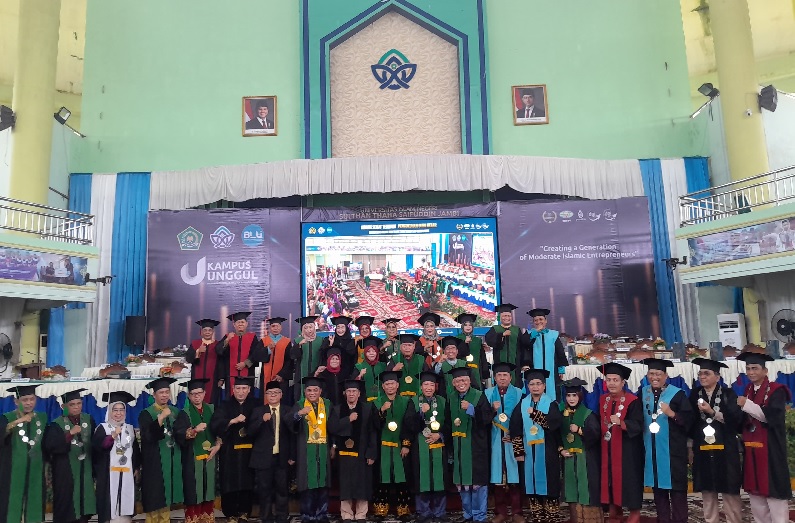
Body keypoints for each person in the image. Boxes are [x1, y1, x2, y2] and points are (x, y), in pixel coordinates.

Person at [737, 352, 792, 522]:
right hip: (752, 449)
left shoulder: (777, 390)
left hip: (770, 450)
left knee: (775, 495)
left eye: (755, 368)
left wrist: (746, 405)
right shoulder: (748, 390)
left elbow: (772, 417)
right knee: (756, 497)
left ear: (765, 371)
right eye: (748, 369)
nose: (751, 372)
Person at [689, 358, 742, 523]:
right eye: (700, 374)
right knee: (707, 491)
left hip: (725, 449)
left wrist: (712, 412)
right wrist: (690, 447)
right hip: (703, 449)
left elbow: (736, 421)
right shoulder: (695, 394)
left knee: (729, 490)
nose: (702, 377)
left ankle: (734, 520)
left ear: (717, 377)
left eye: (706, 373)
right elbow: (690, 422)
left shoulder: (728, 394)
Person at [640, 358, 693, 523]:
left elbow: (689, 421)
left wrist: (672, 414)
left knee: (677, 491)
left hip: (672, 451)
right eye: (651, 373)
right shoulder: (643, 393)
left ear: (666, 376)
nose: (654, 377)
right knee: (659, 492)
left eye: (658, 374)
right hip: (652, 450)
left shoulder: (677, 394)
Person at [509, 368, 562, 523]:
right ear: (528, 386)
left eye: (538, 384)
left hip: (548, 449)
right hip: (528, 450)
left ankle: (552, 514)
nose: (535, 387)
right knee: (531, 481)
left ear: (544, 386)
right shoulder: (522, 404)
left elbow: (554, 424)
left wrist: (535, 414)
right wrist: (518, 451)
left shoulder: (551, 403)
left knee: (550, 481)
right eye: (532, 384)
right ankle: (537, 514)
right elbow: (515, 427)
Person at [43, 388, 97, 523]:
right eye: (72, 404)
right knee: (67, 507)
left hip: (85, 469)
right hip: (65, 471)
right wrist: (70, 434)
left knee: (84, 503)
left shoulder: (88, 419)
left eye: (79, 403)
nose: (76, 407)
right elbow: (50, 446)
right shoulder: (56, 424)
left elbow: (95, 443)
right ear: (64, 407)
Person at [598, 363, 643, 523]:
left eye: (615, 380)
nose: (611, 383)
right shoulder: (603, 400)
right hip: (607, 447)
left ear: (623, 382)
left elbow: (638, 425)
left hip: (627, 449)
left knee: (629, 480)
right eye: (608, 379)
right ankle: (615, 511)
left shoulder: (633, 401)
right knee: (609, 477)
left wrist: (622, 423)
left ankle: (634, 512)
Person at [210, 375, 258, 522]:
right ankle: (230, 513)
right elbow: (215, 424)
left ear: (249, 389)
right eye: (238, 388)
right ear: (233, 389)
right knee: (229, 482)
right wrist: (232, 421)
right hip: (229, 451)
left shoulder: (256, 405)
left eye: (244, 388)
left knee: (247, 482)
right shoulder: (224, 405)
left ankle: (244, 512)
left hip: (249, 451)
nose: (241, 391)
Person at [329, 379, 378, 523]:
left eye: (354, 391)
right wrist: (347, 420)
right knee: (346, 484)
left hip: (362, 453)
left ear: (359, 393)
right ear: (345, 393)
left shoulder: (367, 409)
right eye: (349, 391)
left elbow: (372, 432)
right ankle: (347, 514)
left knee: (362, 483)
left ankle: (361, 514)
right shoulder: (337, 409)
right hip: (344, 455)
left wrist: (371, 452)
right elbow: (332, 428)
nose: (351, 394)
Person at [448, 366, 493, 523]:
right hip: (459, 446)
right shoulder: (451, 398)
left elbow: (487, 418)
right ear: (453, 383)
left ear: (469, 381)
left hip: (476, 445)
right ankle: (468, 514)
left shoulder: (479, 396)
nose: (461, 383)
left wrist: (472, 409)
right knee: (462, 481)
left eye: (464, 380)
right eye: (458, 381)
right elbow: (447, 422)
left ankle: (480, 516)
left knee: (477, 482)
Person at [174, 378, 221, 523]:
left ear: (204, 393)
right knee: (194, 491)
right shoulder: (184, 413)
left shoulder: (212, 409)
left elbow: (220, 429)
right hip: (192, 459)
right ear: (189, 396)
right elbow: (179, 434)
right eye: (193, 394)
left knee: (208, 489)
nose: (197, 396)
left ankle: (207, 519)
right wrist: (194, 430)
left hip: (211, 457)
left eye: (199, 393)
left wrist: (218, 445)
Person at [372, 370, 416, 521]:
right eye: (387, 384)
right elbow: (373, 426)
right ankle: (380, 509)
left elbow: (409, 424)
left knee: (401, 477)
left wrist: (406, 444)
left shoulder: (406, 401)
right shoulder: (376, 402)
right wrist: (381, 411)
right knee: (382, 477)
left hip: (400, 445)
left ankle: (403, 509)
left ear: (397, 385)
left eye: (392, 383)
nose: (390, 386)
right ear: (383, 386)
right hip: (382, 446)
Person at [138, 377, 183, 523]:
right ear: (154, 395)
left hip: (171, 459)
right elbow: (147, 436)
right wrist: (160, 418)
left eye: (166, 392)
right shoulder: (146, 413)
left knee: (167, 496)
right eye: (161, 392)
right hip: (154, 461)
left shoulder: (175, 411)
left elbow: (181, 433)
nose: (164, 395)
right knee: (154, 496)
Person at [406, 371, 449, 523]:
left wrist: (440, 434)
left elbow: (449, 423)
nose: (429, 387)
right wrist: (420, 413)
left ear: (435, 387)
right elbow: (409, 424)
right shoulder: (413, 401)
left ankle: (439, 512)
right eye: (426, 384)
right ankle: (423, 512)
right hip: (420, 444)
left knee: (439, 478)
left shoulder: (443, 401)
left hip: (439, 443)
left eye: (431, 385)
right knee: (422, 477)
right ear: (421, 386)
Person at [0, 384, 47, 523]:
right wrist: (17, 422)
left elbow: (46, 443)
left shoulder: (42, 418)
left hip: (36, 468)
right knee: (10, 502)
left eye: (32, 399)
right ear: (16, 402)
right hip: (12, 469)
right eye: (24, 400)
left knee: (35, 498)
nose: (28, 403)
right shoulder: (7, 418)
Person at [289, 376, 333, 523]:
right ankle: (307, 515)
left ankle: (322, 514)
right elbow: (289, 423)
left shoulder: (328, 404)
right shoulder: (299, 405)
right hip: (305, 450)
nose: (312, 393)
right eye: (309, 390)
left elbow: (333, 427)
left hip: (323, 448)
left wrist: (334, 446)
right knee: (307, 483)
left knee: (323, 482)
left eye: (315, 390)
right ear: (304, 391)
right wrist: (298, 414)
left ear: (320, 391)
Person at [93, 391, 140, 523]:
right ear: (109, 411)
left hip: (127, 472)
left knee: (125, 501)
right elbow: (98, 448)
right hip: (108, 474)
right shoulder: (103, 428)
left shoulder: (129, 429)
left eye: (121, 410)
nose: (119, 413)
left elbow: (135, 450)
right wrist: (112, 436)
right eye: (115, 410)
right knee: (109, 504)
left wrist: (136, 467)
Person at [485, 363, 524, 523]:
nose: (502, 378)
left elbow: (523, 417)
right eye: (499, 375)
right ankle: (500, 512)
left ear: (510, 377)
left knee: (515, 477)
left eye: (505, 375)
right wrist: (492, 410)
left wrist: (514, 434)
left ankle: (517, 512)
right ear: (494, 378)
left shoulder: (519, 393)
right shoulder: (488, 393)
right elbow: (482, 417)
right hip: (495, 438)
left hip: (514, 439)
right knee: (498, 478)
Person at [249, 381, 293, 523]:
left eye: (275, 393)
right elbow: (250, 432)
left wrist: (292, 456)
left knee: (282, 489)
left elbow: (293, 434)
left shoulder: (288, 410)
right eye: (269, 393)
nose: (272, 395)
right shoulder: (258, 411)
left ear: (281, 395)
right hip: (263, 458)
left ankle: (282, 517)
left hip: (282, 457)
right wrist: (261, 420)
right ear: (266, 395)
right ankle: (266, 517)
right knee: (264, 490)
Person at [559, 378, 602, 523]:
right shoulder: (562, 414)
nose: (571, 399)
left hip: (586, 458)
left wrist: (580, 430)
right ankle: (576, 519)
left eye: (574, 395)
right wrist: (561, 450)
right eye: (568, 395)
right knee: (572, 490)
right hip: (569, 458)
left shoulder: (588, 414)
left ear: (580, 396)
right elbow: (556, 436)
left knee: (586, 489)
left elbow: (595, 435)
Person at [217, 311, 268, 399]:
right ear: (234, 324)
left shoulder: (252, 337)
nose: (240, 324)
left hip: (248, 374)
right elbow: (219, 352)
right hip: (230, 375)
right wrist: (227, 340)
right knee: (231, 398)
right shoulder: (228, 337)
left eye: (242, 322)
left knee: (248, 398)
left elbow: (256, 354)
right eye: (238, 322)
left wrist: (245, 363)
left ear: (246, 324)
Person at [526, 308, 568, 401]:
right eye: (536, 320)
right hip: (535, 369)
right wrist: (536, 332)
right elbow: (525, 347)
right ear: (533, 322)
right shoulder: (529, 335)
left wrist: (561, 369)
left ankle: (553, 407)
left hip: (552, 369)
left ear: (546, 321)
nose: (538, 322)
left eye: (541, 319)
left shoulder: (553, 335)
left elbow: (560, 352)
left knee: (553, 390)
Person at [484, 304, 531, 387]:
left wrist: (525, 363)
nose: (507, 318)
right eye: (504, 316)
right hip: (500, 365)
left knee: (516, 387)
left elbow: (522, 347)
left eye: (509, 316)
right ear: (500, 317)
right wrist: (502, 335)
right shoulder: (495, 329)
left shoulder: (516, 330)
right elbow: (490, 341)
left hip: (515, 366)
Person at [186, 318, 223, 403]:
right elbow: (188, 359)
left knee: (212, 399)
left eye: (209, 330)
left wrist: (221, 378)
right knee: (197, 398)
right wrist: (198, 351)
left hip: (213, 378)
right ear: (201, 332)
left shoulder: (218, 345)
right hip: (197, 378)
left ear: (213, 331)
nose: (207, 332)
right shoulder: (195, 343)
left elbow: (221, 363)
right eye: (205, 330)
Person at [291, 316, 325, 400]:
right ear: (302, 329)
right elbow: (293, 356)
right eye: (306, 328)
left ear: (314, 327)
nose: (309, 330)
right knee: (301, 393)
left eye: (311, 327)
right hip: (301, 373)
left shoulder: (321, 340)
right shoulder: (298, 340)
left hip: (317, 372)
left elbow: (323, 357)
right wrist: (299, 345)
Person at [260, 316, 294, 400]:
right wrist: (268, 349)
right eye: (273, 326)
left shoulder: (287, 342)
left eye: (277, 326)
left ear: (281, 328)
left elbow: (289, 361)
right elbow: (257, 356)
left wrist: (281, 375)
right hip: (266, 376)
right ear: (270, 328)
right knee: (265, 397)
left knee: (281, 399)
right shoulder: (263, 341)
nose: (275, 328)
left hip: (280, 378)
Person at [388, 333, 428, 398]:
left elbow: (427, 377)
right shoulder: (395, 359)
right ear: (400, 347)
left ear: (414, 347)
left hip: (418, 396)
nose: (407, 348)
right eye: (404, 345)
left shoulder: (421, 359)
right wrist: (394, 370)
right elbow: (387, 378)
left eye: (409, 345)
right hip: (399, 396)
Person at [320, 316, 357, 384]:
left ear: (346, 328)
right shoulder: (329, 339)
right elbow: (323, 355)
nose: (340, 330)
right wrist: (330, 345)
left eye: (342, 327)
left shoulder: (351, 341)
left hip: (347, 373)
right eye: (338, 327)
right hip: (331, 374)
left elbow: (352, 357)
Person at [455, 313, 486, 388]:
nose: (468, 327)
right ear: (462, 326)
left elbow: (482, 358)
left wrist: (484, 374)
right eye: (465, 325)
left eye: (470, 325)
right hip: (461, 370)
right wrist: (464, 343)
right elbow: (455, 355)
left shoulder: (477, 340)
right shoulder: (457, 339)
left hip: (475, 370)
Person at [354, 336, 386, 402]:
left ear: (377, 353)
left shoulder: (383, 366)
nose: (371, 353)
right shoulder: (358, 367)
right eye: (368, 351)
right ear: (365, 353)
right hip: (365, 401)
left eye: (374, 351)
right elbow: (354, 386)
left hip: (382, 400)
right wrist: (360, 375)